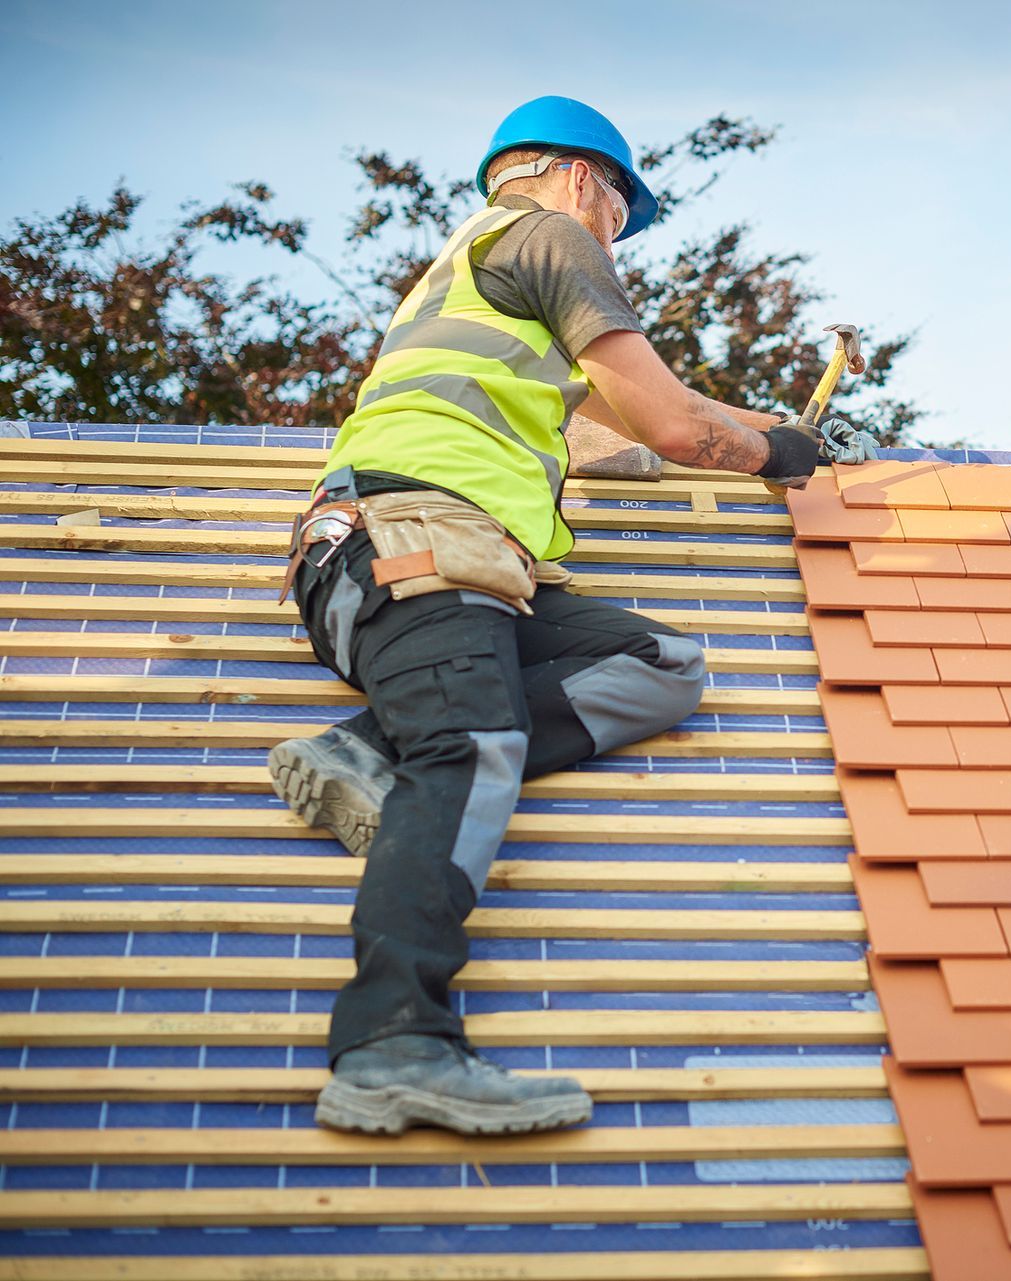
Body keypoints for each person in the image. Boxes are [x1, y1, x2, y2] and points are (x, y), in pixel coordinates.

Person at [268, 96, 876, 1136]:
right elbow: (675, 424)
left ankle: (370, 750)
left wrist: (767, 429)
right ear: (575, 176)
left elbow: (629, 422)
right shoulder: (548, 236)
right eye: (617, 213)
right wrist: (777, 457)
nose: (613, 237)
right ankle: (392, 1042)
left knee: (659, 666)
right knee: (471, 746)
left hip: (458, 561)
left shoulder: (482, 279)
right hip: (413, 539)